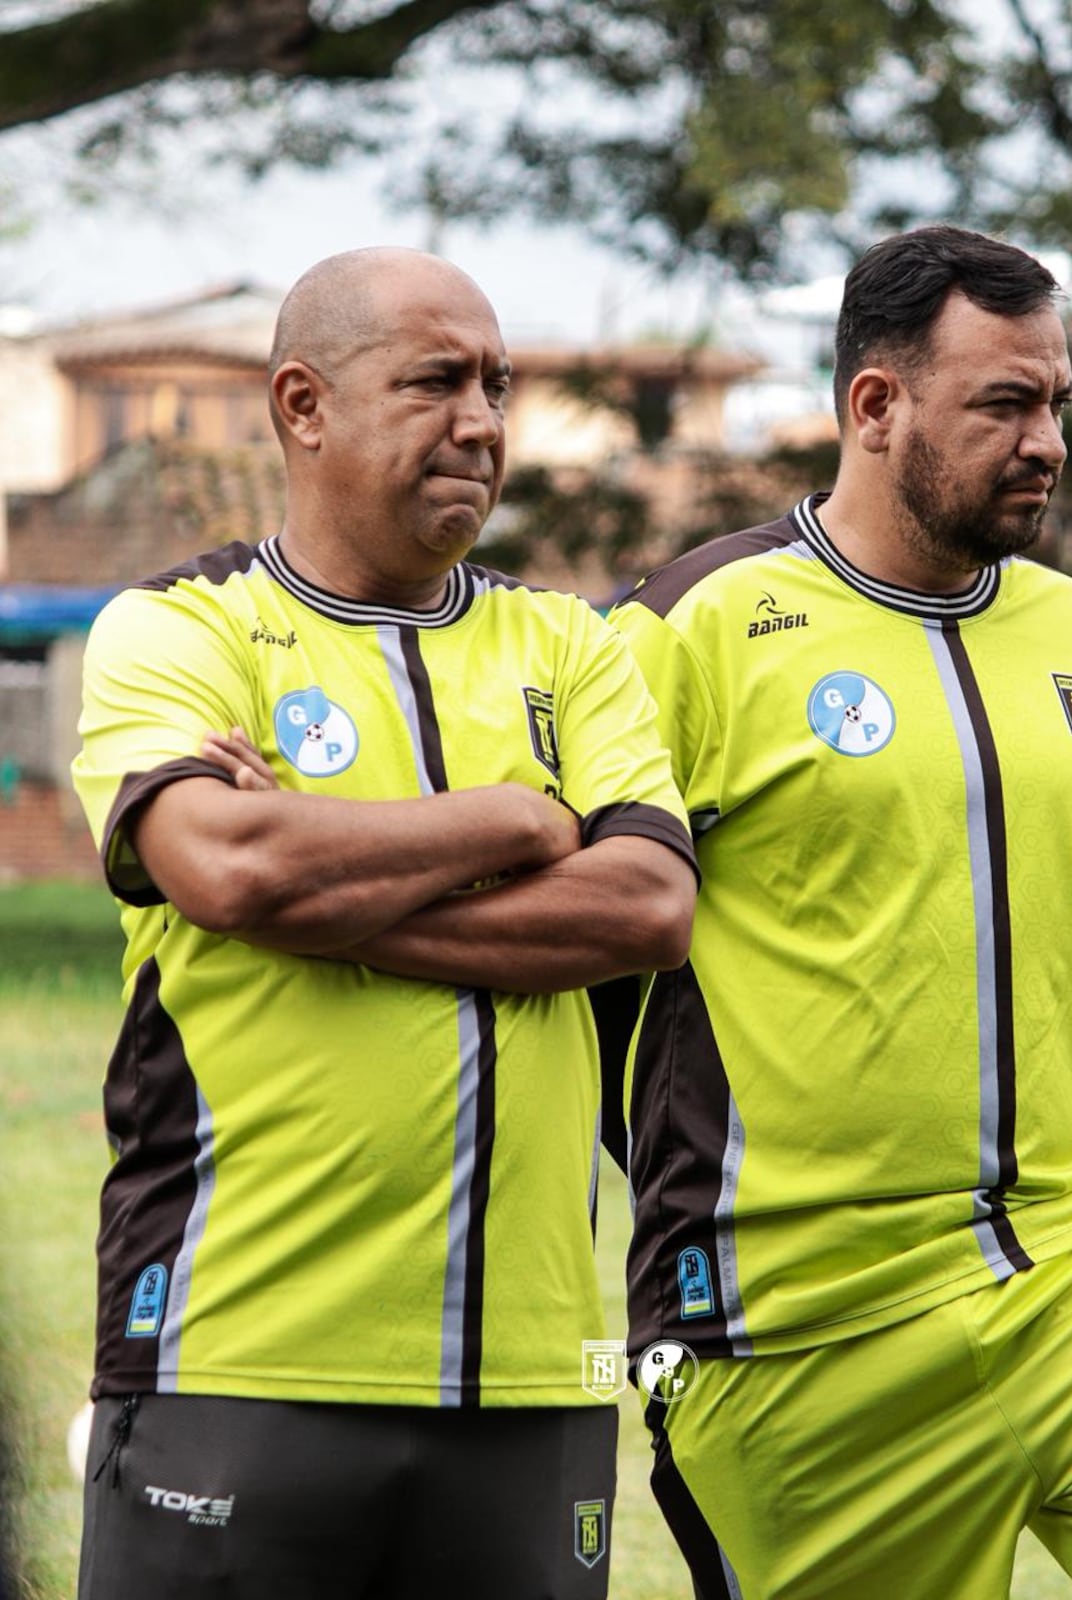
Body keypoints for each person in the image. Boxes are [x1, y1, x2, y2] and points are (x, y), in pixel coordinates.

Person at [608, 226, 1072, 1599]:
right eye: (1005, 404)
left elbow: (1071, 961)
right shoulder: (692, 627)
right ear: (875, 406)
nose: (1047, 442)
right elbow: (576, 947)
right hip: (796, 1320)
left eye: (1058, 405)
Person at [70, 245, 698, 1600]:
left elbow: (648, 904)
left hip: (534, 1380)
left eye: (497, 384)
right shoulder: (178, 628)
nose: (482, 420)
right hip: (234, 1354)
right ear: (303, 405)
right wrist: (524, 822)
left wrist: (325, 894)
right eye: (435, 382)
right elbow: (225, 868)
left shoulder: (570, 648)